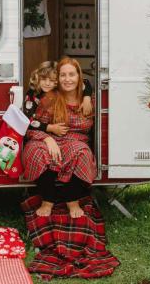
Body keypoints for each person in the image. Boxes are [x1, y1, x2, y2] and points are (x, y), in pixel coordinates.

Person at [22, 57, 96, 219]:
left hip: (77, 141)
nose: (68, 79)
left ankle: (72, 200)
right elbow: (30, 126)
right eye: (63, 75)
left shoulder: (88, 99)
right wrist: (48, 139)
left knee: (82, 153)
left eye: (72, 74)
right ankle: (48, 200)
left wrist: (87, 97)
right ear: (58, 79)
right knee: (36, 152)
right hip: (48, 136)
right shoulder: (49, 98)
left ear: (79, 76)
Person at [23, 61, 93, 136]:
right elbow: (26, 121)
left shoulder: (57, 88)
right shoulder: (33, 93)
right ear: (37, 77)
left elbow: (85, 81)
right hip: (37, 132)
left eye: (52, 80)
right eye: (43, 79)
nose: (47, 83)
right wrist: (51, 128)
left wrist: (87, 98)